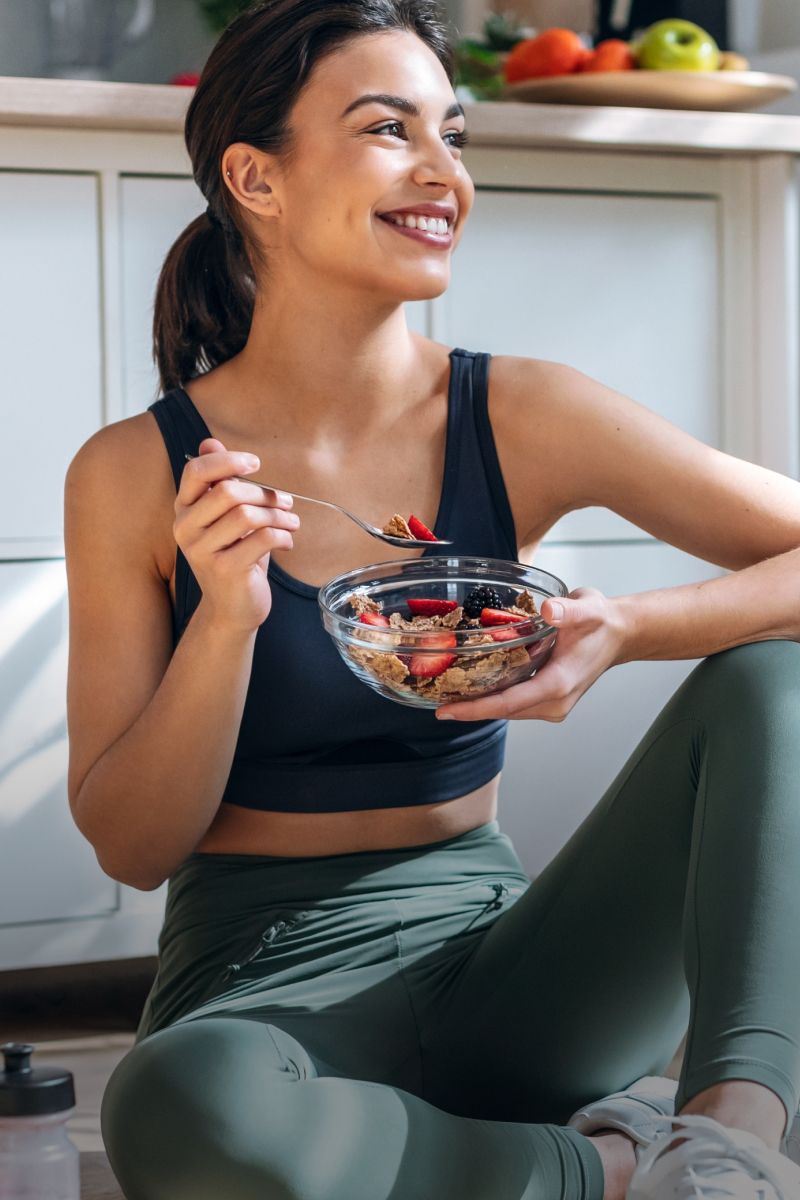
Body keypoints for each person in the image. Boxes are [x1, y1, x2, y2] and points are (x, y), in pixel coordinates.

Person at [63, 2, 800, 1197]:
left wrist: (624, 631)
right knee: (173, 1107)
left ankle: (731, 1148)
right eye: (385, 129)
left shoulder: (518, 411)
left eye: (450, 133)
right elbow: (136, 847)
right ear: (255, 177)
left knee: (778, 670)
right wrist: (227, 617)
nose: (442, 171)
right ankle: (616, 1167)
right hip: (264, 1000)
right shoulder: (136, 473)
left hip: (512, 972)